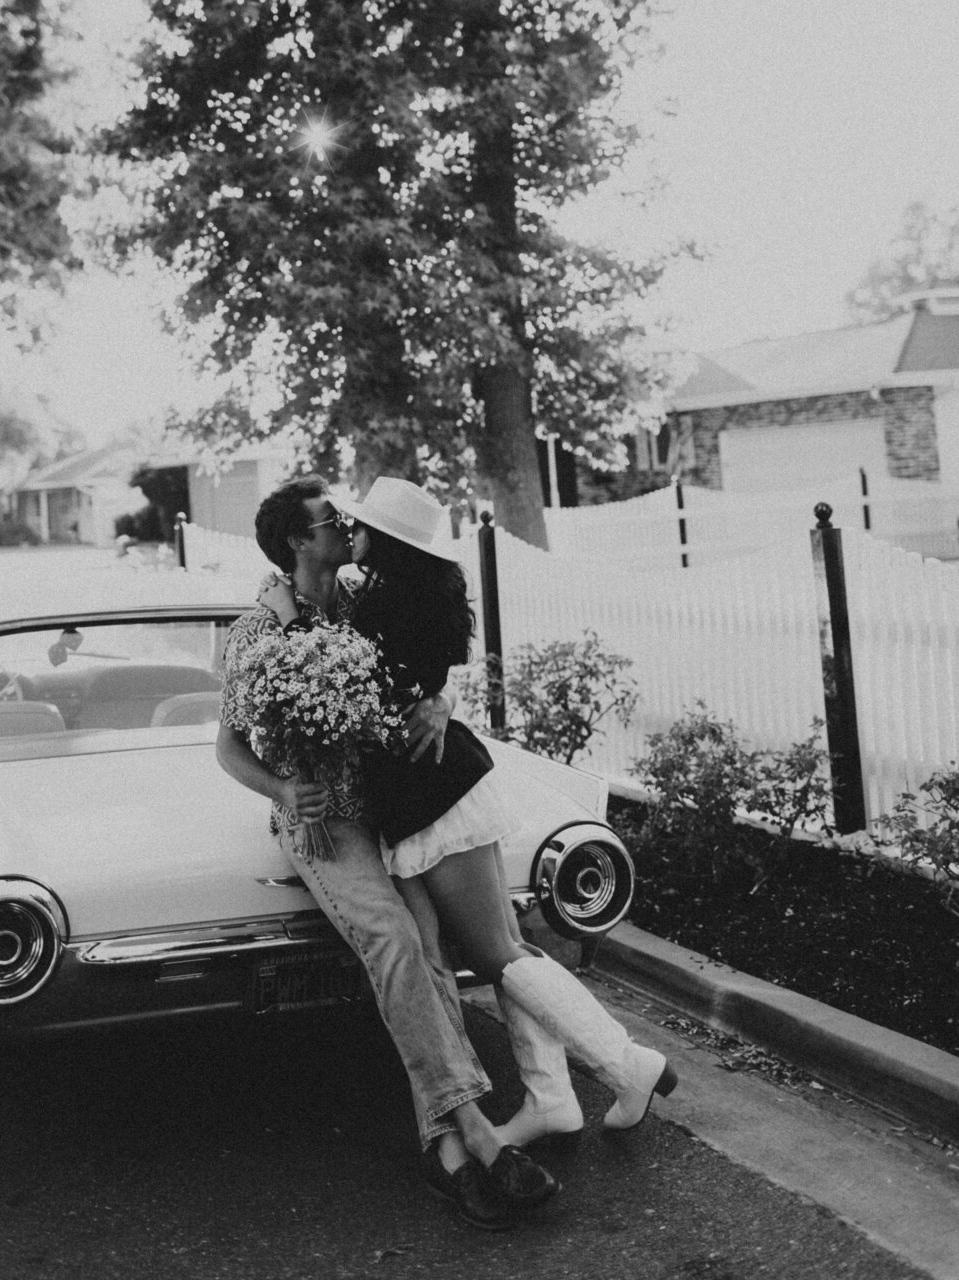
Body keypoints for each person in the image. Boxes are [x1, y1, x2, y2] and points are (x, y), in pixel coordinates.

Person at [266, 475, 677, 1147]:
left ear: (385, 542)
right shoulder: (416, 595)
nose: (350, 532)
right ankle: (550, 1100)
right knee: (502, 943)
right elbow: (414, 683)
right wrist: (438, 698)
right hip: (432, 785)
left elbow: (326, 675)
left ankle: (624, 1063)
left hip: (433, 792)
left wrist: (289, 617)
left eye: (360, 526)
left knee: (495, 951)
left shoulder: (381, 608)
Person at [216, 474, 559, 1229]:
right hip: (326, 823)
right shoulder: (257, 632)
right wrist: (281, 791)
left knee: (428, 950)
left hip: (389, 808)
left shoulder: (361, 608)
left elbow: (420, 675)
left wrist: (439, 702)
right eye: (329, 520)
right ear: (299, 542)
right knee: (395, 940)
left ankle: (448, 1155)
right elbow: (227, 748)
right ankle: (475, 1135)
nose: (345, 526)